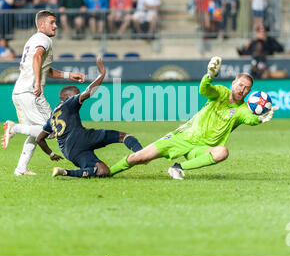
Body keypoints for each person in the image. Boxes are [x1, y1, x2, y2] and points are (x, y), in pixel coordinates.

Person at [108, 57, 278, 180]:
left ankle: (177, 168)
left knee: (222, 152)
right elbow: (204, 90)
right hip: (183, 137)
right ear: (234, 83)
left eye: (247, 88)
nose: (242, 90)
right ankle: (107, 172)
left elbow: (249, 118)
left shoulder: (241, 109)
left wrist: (259, 119)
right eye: (240, 85)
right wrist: (209, 76)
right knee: (140, 158)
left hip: (202, 148)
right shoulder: (221, 92)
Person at [1, 10, 86, 176]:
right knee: (52, 130)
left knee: (36, 132)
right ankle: (14, 128)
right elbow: (37, 58)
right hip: (31, 92)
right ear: (41, 25)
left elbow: (45, 68)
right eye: (52, 22)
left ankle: (21, 169)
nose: (55, 26)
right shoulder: (43, 39)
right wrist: (38, 83)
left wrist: (69, 75)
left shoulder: (33, 40)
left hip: (19, 91)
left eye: (55, 22)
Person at [35, 57, 144, 178]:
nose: (78, 96)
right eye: (76, 94)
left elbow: (39, 139)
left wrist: (51, 154)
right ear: (67, 97)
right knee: (124, 136)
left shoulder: (52, 117)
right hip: (80, 137)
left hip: (69, 152)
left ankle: (65, 172)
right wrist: (101, 75)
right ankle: (142, 154)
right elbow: (88, 91)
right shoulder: (69, 102)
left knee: (102, 171)